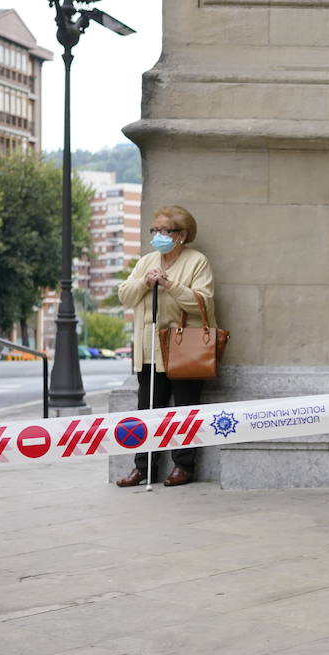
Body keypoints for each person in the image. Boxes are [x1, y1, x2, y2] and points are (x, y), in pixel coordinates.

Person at [115, 205, 215, 487]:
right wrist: (145, 283)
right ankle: (143, 466)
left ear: (181, 235)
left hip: (184, 350)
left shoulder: (197, 261)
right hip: (149, 351)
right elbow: (125, 295)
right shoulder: (147, 261)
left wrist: (170, 285)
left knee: (185, 410)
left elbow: (202, 302)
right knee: (148, 410)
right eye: (154, 230)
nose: (158, 235)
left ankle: (184, 466)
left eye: (165, 230)